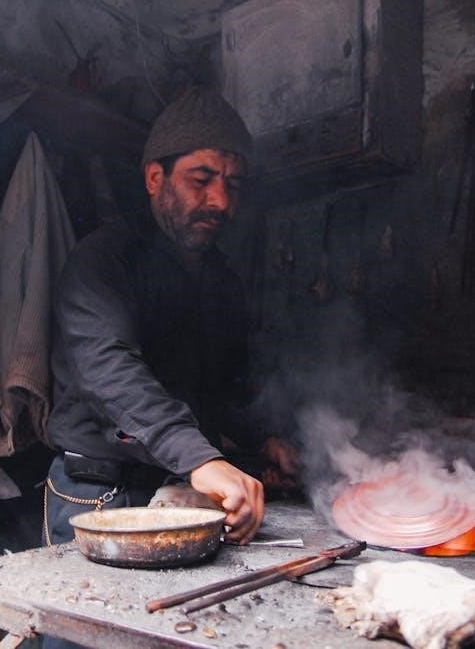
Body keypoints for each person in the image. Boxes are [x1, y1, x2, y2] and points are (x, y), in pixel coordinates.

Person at [42, 86, 299, 557]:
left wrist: (262, 440)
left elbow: (225, 386)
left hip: (183, 490)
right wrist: (201, 459)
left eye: (233, 184)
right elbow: (110, 371)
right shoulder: (102, 262)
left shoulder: (222, 279)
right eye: (201, 179)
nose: (220, 200)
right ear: (155, 178)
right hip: (102, 493)